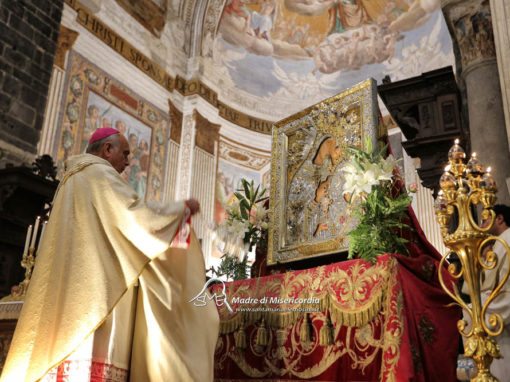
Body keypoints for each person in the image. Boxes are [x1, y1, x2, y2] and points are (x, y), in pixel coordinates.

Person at [1, 128, 219, 381]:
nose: (128, 162)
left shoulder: (71, 179)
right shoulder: (100, 174)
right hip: (97, 290)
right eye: (125, 154)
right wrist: (179, 210)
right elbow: (135, 218)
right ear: (107, 149)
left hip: (68, 285)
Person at [477, 204, 510, 380]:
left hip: (502, 313)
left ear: (499, 218)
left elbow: (504, 285)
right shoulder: (498, 243)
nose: (481, 226)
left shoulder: (507, 241)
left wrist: (481, 305)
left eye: (485, 219)